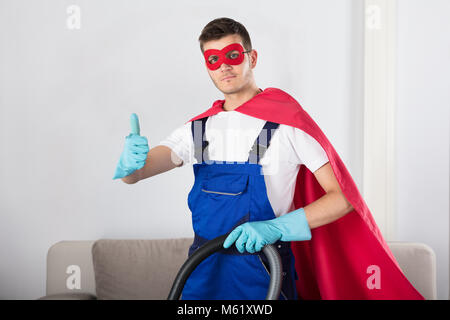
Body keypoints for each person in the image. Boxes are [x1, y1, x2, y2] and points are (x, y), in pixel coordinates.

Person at [113, 17, 424, 300]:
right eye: (213, 59)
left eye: (232, 55)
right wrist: (130, 162)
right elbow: (136, 175)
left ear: (252, 57)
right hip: (203, 269)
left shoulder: (287, 122)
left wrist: (276, 228)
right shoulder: (197, 130)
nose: (224, 66)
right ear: (206, 66)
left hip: (264, 270)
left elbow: (341, 198)